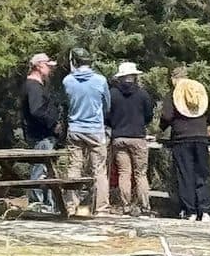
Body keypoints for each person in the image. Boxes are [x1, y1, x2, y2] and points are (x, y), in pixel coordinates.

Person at [160, 67, 210, 221]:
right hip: (201, 137)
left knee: (185, 175)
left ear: (174, 79)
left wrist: (161, 129)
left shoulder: (173, 94)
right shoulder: (200, 91)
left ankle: (190, 211)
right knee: (202, 174)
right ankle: (206, 210)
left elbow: (167, 116)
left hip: (182, 138)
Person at [63, 47, 111, 215]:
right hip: (95, 129)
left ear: (74, 62)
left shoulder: (67, 81)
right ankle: (101, 207)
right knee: (99, 169)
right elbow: (107, 105)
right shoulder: (100, 80)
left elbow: (66, 103)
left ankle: (71, 206)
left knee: (74, 167)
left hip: (75, 128)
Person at [107, 61, 156, 217]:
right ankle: (144, 206)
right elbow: (149, 115)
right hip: (137, 136)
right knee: (140, 173)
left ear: (120, 77)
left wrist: (114, 124)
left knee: (124, 173)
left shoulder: (112, 94)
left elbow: (106, 115)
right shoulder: (143, 94)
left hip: (119, 137)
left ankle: (126, 205)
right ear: (134, 76)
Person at [21, 53, 61, 211]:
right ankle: (38, 204)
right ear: (38, 66)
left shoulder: (36, 85)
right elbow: (36, 110)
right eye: (47, 66)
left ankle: (46, 204)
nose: (50, 69)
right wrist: (53, 124)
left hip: (42, 135)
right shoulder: (33, 86)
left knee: (44, 169)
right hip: (41, 135)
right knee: (40, 169)